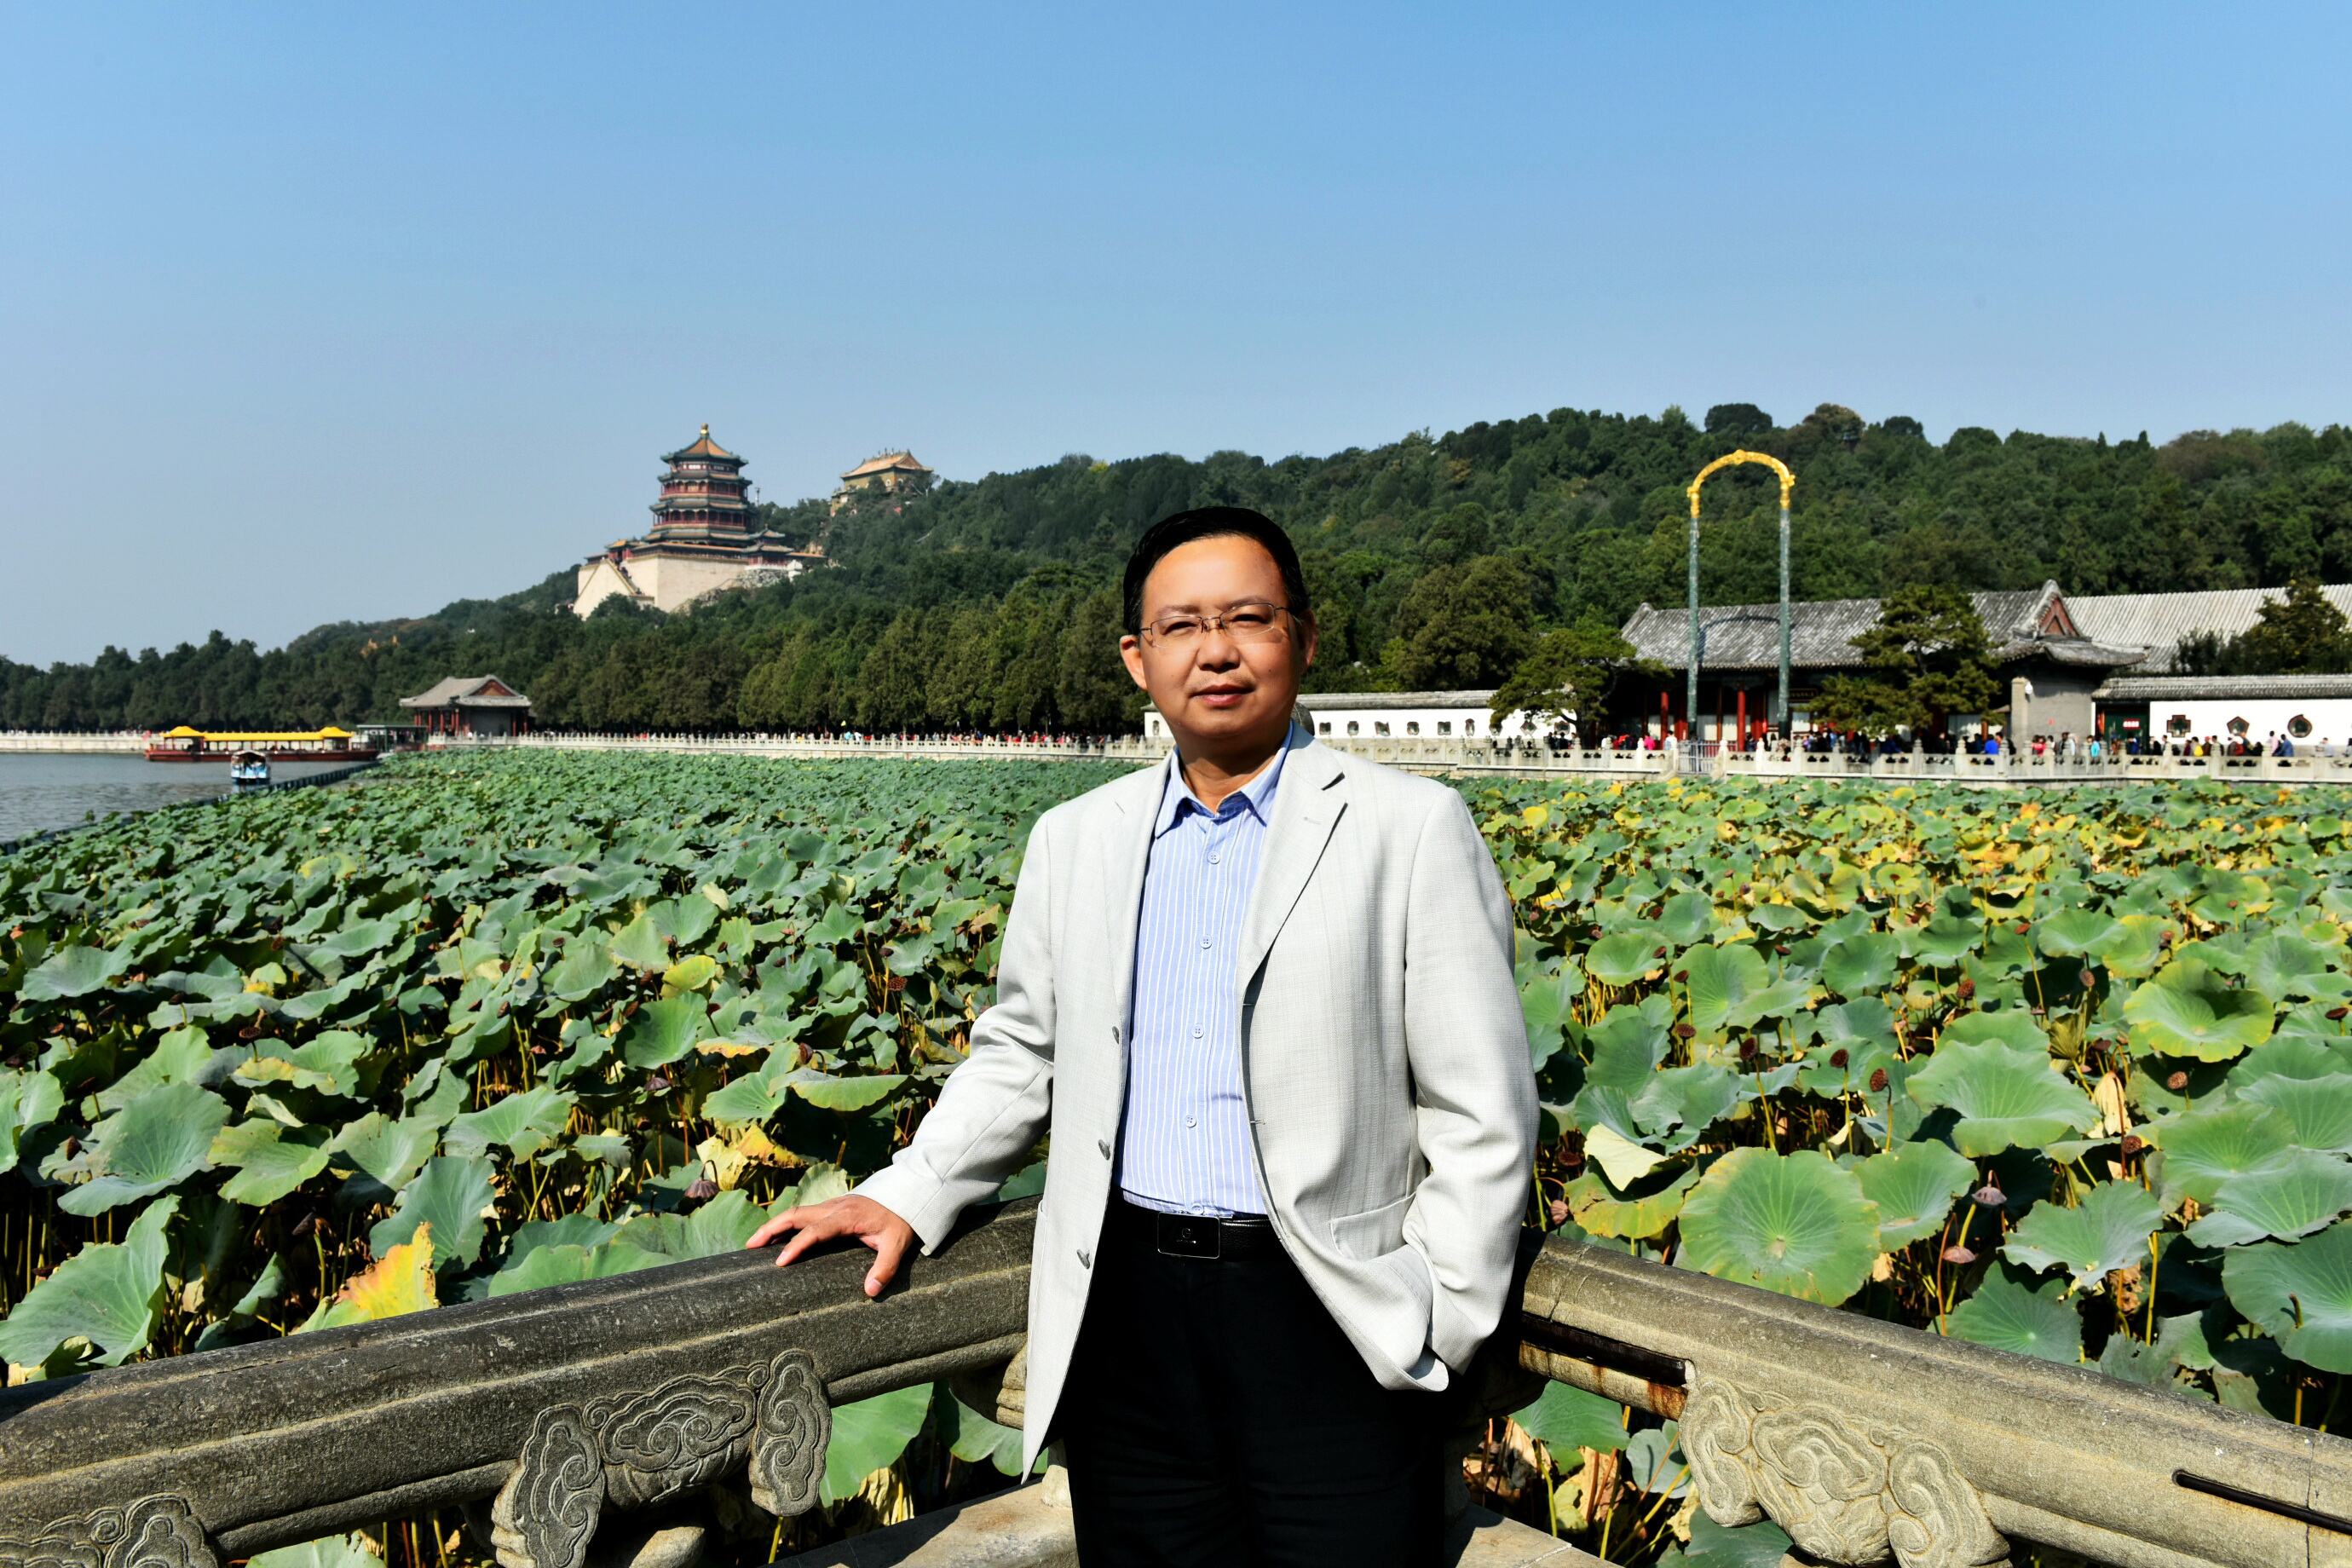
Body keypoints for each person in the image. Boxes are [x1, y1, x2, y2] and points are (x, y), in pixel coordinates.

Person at [748, 506, 1537, 1566]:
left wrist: (1437, 1317)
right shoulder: (1077, 837)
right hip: (1125, 1312)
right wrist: (906, 1188)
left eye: (1249, 618)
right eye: (1182, 626)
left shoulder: (1409, 825)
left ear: (1303, 638)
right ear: (1138, 656)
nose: (1216, 650)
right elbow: (1023, 1049)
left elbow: (1480, 1105)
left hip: (1331, 1313)